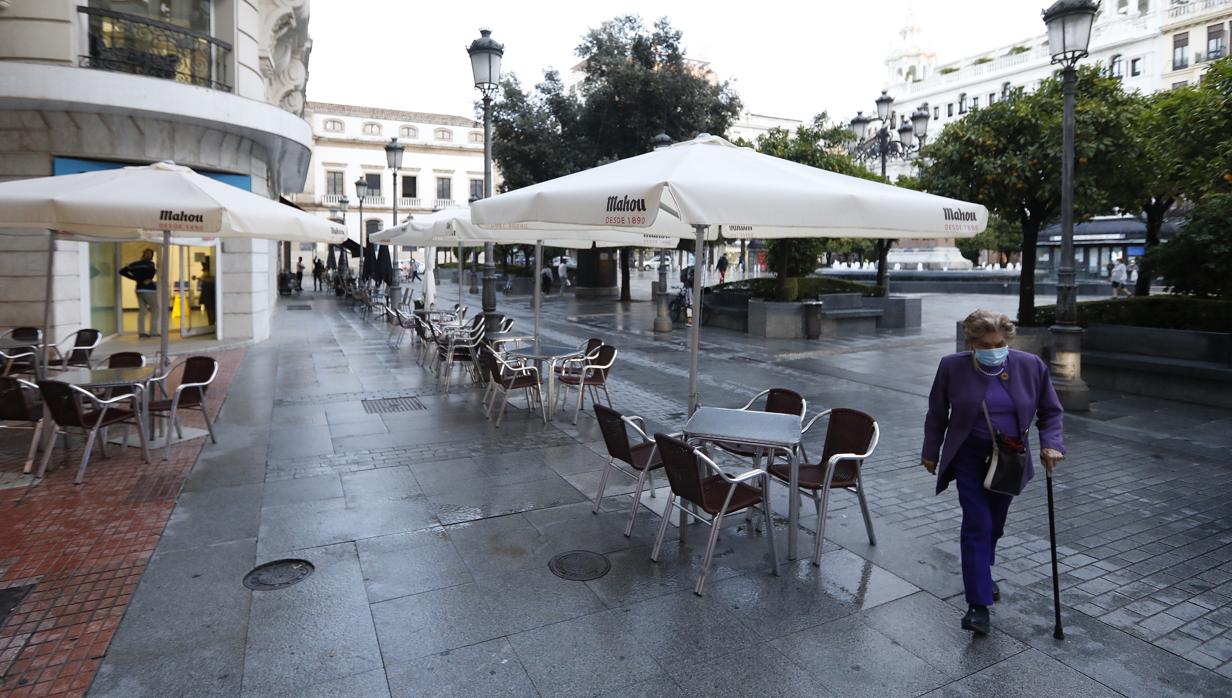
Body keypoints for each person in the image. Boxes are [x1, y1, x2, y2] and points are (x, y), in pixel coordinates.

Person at [921, 309, 1065, 636]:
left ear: (1007, 340)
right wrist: (931, 451)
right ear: (971, 343)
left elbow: (1051, 412)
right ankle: (978, 605)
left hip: (1010, 459)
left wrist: (1052, 444)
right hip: (969, 457)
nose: (993, 348)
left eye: (999, 343)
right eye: (985, 344)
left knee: (995, 526)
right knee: (977, 524)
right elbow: (936, 413)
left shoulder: (1030, 366)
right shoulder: (952, 367)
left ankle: (982, 574)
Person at [120, 248, 159, 338]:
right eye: (149, 254)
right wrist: (147, 279)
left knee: (142, 311)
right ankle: (153, 332)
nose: (150, 256)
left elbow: (122, 271)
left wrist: (136, 279)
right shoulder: (151, 264)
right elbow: (151, 273)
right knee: (155, 310)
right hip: (149, 290)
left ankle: (141, 332)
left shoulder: (135, 264)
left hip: (139, 289)